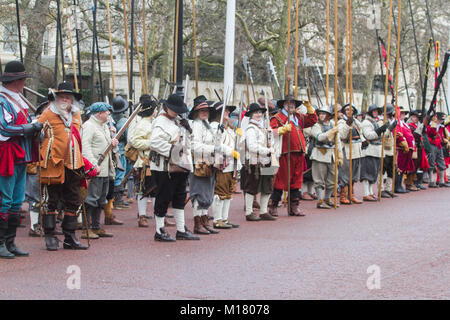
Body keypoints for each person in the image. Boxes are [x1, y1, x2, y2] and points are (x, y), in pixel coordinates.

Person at [38, 82, 91, 250]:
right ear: (56, 98)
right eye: (62, 96)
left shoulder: (76, 116)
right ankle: (50, 235)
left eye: (68, 97)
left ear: (72, 100)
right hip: (53, 163)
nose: (65, 99)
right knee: (51, 200)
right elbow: (37, 134)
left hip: (74, 163)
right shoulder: (47, 114)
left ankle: (69, 237)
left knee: (74, 200)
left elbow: (80, 137)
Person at [0, 61, 42, 259]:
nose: (25, 82)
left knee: (17, 201)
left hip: (20, 156)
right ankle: (1, 243)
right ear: (17, 80)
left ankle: (10, 242)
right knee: (5, 200)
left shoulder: (17, 99)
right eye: (23, 79)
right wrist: (30, 128)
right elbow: (4, 128)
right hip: (7, 154)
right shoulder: (2, 100)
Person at [149, 93, 199, 241]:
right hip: (164, 167)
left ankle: (181, 229)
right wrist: (174, 151)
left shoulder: (178, 121)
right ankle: (159, 230)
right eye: (174, 109)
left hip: (181, 165)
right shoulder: (160, 122)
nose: (176, 112)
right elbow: (155, 143)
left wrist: (188, 131)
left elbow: (187, 143)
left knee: (179, 197)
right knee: (163, 198)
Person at [189, 95, 239, 234]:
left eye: (206, 110)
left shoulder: (207, 125)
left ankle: (204, 220)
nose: (205, 112)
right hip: (199, 162)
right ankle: (198, 223)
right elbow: (195, 146)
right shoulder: (196, 125)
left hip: (209, 162)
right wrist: (214, 148)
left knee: (207, 193)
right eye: (202, 110)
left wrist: (218, 136)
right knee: (199, 194)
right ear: (196, 112)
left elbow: (215, 143)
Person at [267, 95, 318, 216]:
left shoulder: (298, 117)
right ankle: (273, 206)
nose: (291, 105)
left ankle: (293, 207)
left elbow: (312, 120)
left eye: (293, 104)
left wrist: (309, 108)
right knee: (280, 181)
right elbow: (269, 133)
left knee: (296, 181)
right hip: (285, 153)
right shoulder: (278, 117)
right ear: (283, 105)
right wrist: (281, 130)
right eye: (288, 103)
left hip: (299, 153)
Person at [82, 102, 118, 239]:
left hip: (104, 169)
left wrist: (113, 144)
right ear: (99, 113)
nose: (109, 114)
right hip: (95, 169)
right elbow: (85, 148)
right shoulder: (89, 127)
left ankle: (96, 226)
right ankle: (87, 228)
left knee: (101, 199)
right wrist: (92, 165)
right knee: (91, 199)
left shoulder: (103, 127)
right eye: (106, 112)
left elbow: (107, 147)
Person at [209, 101, 241, 229]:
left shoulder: (227, 128)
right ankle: (217, 219)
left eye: (228, 111)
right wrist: (230, 152)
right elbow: (217, 144)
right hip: (222, 162)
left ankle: (224, 218)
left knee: (228, 192)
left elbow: (236, 144)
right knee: (220, 192)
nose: (228, 113)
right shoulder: (214, 126)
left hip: (231, 164)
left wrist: (238, 135)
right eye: (226, 111)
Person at [243, 103, 276, 221]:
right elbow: (252, 146)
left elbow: (271, 143)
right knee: (252, 186)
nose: (259, 114)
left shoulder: (264, 127)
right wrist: (267, 150)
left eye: (260, 112)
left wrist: (271, 140)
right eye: (256, 112)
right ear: (251, 114)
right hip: (254, 161)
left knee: (267, 186)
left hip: (267, 160)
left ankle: (263, 211)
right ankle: (249, 212)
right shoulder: (250, 129)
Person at [130, 95, 157, 227]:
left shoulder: (154, 123)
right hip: (144, 162)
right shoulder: (142, 124)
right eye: (155, 109)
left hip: (155, 162)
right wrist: (151, 143)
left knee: (157, 191)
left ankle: (159, 214)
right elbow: (135, 141)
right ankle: (142, 216)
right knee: (143, 191)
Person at [310, 105, 343, 209]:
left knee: (332, 178)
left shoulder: (333, 124)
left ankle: (327, 198)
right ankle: (320, 200)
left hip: (331, 154)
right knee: (319, 179)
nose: (321, 115)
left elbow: (337, 141)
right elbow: (320, 137)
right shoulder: (316, 125)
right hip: (319, 154)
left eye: (324, 114)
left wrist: (340, 154)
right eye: (320, 113)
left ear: (329, 115)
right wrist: (331, 131)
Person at [360, 104, 392, 201]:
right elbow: (369, 135)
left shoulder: (376, 122)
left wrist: (389, 128)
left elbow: (382, 136)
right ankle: (366, 193)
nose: (375, 113)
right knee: (367, 173)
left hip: (377, 150)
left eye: (377, 111)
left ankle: (370, 192)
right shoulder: (366, 122)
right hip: (370, 150)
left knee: (374, 173)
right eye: (374, 111)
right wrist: (379, 130)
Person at [425, 112, 450, 187]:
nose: (442, 121)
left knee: (441, 162)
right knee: (431, 163)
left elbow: (441, 135)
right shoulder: (430, 126)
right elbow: (431, 133)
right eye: (440, 119)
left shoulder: (441, 126)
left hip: (439, 145)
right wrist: (434, 125)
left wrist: (444, 140)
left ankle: (441, 181)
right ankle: (431, 181)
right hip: (432, 144)